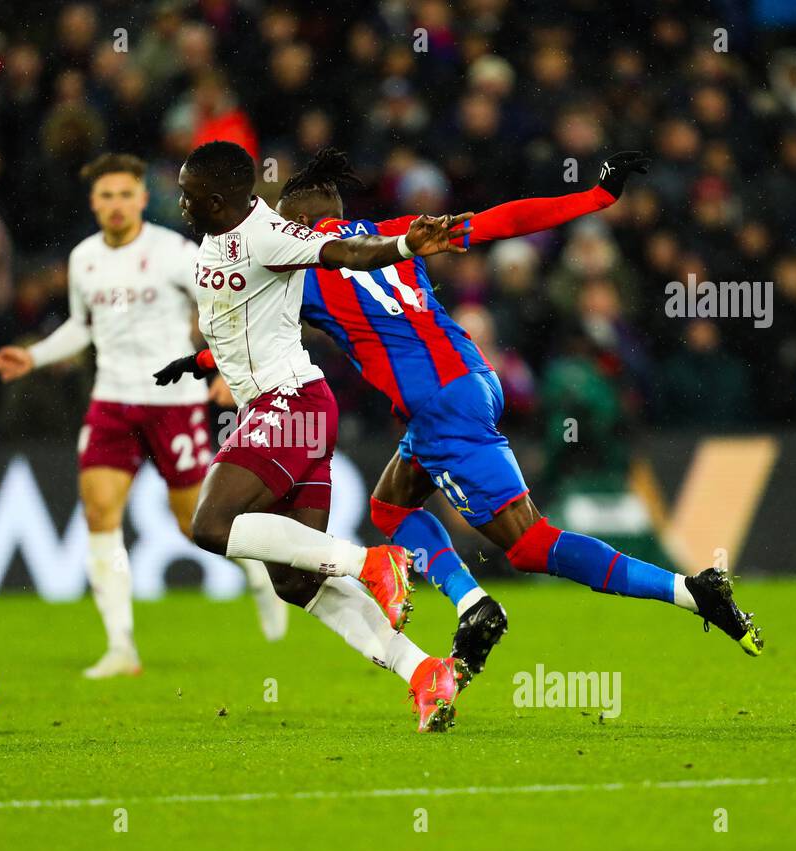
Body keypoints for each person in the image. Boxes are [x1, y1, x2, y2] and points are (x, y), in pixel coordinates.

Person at [273, 147, 761, 682]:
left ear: (298, 224)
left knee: (530, 544)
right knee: (391, 507)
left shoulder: (301, 269)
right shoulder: (397, 232)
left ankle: (691, 592)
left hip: (440, 405)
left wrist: (207, 359)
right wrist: (595, 197)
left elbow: (257, 333)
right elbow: (499, 221)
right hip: (474, 379)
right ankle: (471, 605)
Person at [155, 140, 473, 732]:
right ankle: (424, 672)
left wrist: (405, 244)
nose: (180, 202)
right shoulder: (219, 237)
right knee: (295, 579)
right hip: (284, 408)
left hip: (292, 404)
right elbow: (243, 320)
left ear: (218, 199)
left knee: (210, 526)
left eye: (188, 195)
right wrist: (199, 362)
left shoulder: (267, 234)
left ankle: (373, 562)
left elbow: (345, 252)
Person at [0, 153, 285, 679]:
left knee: (195, 524)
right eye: (106, 196)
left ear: (143, 198)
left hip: (172, 404)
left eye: (126, 194)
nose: (117, 205)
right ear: (93, 203)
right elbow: (83, 326)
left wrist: (224, 368)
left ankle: (260, 572)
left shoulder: (175, 252)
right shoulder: (84, 259)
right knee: (100, 514)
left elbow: (224, 310)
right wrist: (33, 356)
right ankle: (121, 647)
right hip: (111, 403)